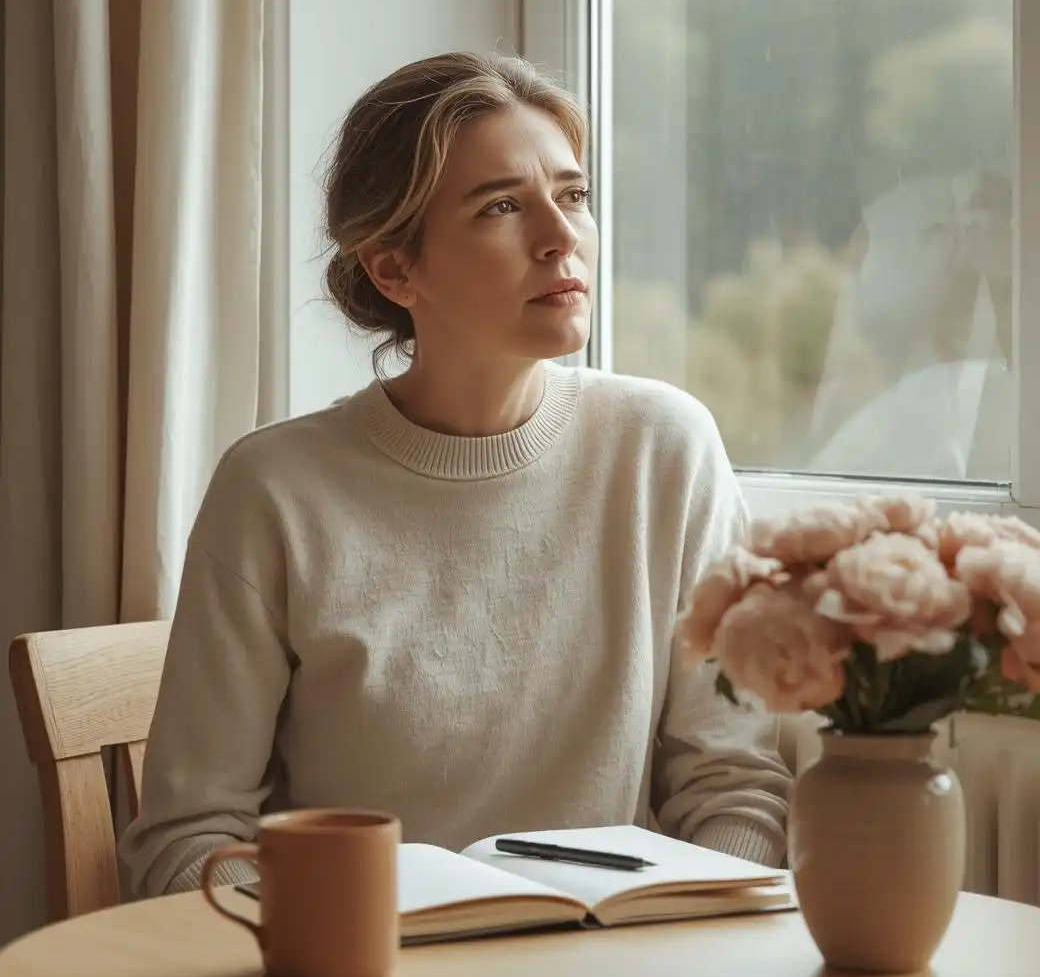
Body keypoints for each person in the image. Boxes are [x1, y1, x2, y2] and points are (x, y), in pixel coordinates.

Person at [120, 51, 790, 899]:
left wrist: (684, 932)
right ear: (394, 268)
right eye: (502, 206)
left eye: (573, 195)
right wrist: (334, 947)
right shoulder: (276, 490)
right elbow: (187, 840)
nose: (561, 236)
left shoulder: (666, 448)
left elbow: (733, 787)